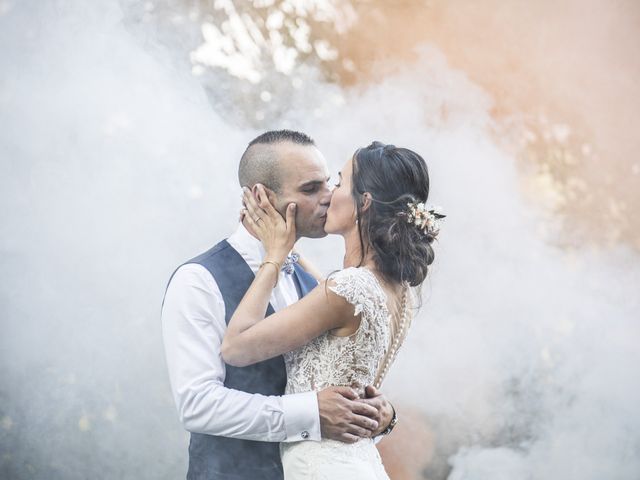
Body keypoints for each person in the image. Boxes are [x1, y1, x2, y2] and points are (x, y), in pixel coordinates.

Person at [161, 131, 395, 480]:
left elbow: (330, 376)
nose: (329, 198)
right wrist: (310, 414)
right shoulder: (198, 280)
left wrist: (382, 413)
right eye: (310, 189)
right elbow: (197, 405)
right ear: (261, 196)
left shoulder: (316, 282)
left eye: (329, 184)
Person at [222, 141, 444, 478]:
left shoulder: (348, 290)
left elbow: (235, 348)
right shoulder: (398, 291)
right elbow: (331, 290)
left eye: (339, 182)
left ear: (363, 203)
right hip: (359, 464)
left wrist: (274, 257)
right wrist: (288, 240)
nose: (329, 194)